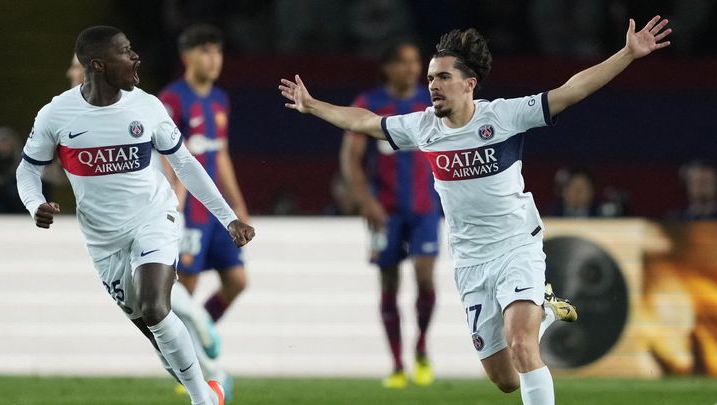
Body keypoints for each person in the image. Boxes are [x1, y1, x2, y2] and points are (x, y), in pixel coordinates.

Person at [280, 16, 671, 405]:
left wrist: (626, 54)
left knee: (522, 346)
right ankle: (543, 309)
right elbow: (365, 121)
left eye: (443, 77)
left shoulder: (503, 116)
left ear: (469, 84)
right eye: (431, 78)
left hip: (517, 246)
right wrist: (313, 105)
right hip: (470, 261)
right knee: (505, 380)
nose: (432, 84)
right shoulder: (423, 127)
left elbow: (571, 90)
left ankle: (533, 308)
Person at [16, 26, 256, 405]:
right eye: (126, 52)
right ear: (98, 64)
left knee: (156, 306)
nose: (136, 58)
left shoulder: (147, 106)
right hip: (104, 242)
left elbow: (186, 163)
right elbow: (27, 170)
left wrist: (229, 218)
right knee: (154, 331)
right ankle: (208, 382)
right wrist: (35, 203)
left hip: (153, 218)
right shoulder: (56, 114)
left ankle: (203, 400)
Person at [340, 41, 440, 388]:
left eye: (416, 62)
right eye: (404, 62)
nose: (412, 68)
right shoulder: (369, 104)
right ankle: (398, 364)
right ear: (387, 67)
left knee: (425, 277)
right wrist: (365, 201)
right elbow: (350, 158)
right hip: (385, 212)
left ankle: (422, 347)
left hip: (426, 209)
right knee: (389, 283)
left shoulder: (431, 103)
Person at [158, 25, 250, 349]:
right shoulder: (171, 99)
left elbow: (220, 153)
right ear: (187, 57)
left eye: (217, 51)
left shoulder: (219, 99)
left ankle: (200, 336)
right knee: (188, 285)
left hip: (216, 210)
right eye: (205, 51)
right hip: (189, 209)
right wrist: (173, 198)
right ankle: (185, 362)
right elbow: (165, 153)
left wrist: (237, 204)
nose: (213, 59)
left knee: (237, 281)